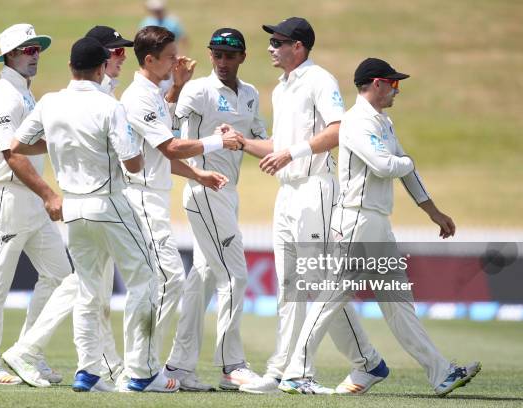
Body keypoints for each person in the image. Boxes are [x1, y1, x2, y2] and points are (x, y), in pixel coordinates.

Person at [280, 57, 481, 397]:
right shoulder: (356, 121)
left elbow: (405, 171)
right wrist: (408, 161)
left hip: (377, 223)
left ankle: (441, 373)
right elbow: (387, 165)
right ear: (376, 84)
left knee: (398, 302)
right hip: (357, 220)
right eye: (393, 85)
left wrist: (433, 211)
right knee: (332, 296)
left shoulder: (383, 123)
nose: (396, 91)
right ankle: (295, 373)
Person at [12, 36, 180, 393]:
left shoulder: (50, 102)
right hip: (109, 202)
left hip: (72, 207)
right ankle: (142, 371)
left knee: (88, 289)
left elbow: (18, 146)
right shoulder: (109, 106)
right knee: (146, 282)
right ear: (102, 67)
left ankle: (88, 371)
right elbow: (132, 163)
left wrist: (61, 140)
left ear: (71, 67)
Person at [237, 17, 387, 394]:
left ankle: (325, 367)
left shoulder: (319, 80)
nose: (271, 48)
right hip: (287, 191)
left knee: (319, 282)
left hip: (316, 189)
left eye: (278, 42)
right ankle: (282, 369)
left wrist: (292, 153)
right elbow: (279, 146)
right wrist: (240, 142)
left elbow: (339, 130)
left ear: (298, 46)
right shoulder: (283, 87)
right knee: (289, 283)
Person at [1, 25, 134, 389]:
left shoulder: (106, 91)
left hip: (91, 204)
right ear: (100, 60)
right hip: (101, 203)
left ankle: (100, 366)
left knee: (88, 287)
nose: (122, 58)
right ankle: (34, 351)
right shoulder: (99, 96)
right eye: (117, 52)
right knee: (92, 288)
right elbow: (15, 147)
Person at [119, 26, 241, 373]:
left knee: (158, 281)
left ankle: (141, 366)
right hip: (141, 195)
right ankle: (141, 369)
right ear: (150, 59)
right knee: (167, 278)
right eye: (171, 57)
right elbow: (169, 146)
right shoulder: (139, 96)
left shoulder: (154, 93)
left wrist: (198, 174)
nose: (177, 61)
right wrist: (219, 142)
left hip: (153, 195)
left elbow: (162, 153)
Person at [0, 23, 71, 385]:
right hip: (6, 197)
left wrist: (60, 139)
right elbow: (11, 154)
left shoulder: (26, 94)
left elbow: (28, 145)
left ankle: (27, 351)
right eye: (28, 50)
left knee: (61, 277)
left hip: (30, 199)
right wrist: (48, 193)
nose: (35, 55)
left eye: (37, 48)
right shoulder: (3, 96)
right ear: (10, 55)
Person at [163, 28, 266, 391]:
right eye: (217, 55)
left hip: (229, 193)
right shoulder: (198, 90)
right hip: (204, 188)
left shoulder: (251, 95)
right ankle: (231, 366)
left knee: (204, 278)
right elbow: (172, 139)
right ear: (210, 56)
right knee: (235, 275)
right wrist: (175, 88)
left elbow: (262, 142)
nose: (223, 62)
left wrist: (254, 145)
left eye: (230, 55)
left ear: (242, 57)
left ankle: (177, 366)